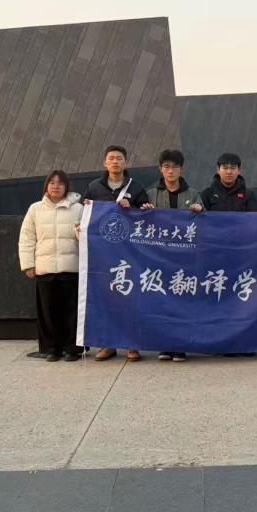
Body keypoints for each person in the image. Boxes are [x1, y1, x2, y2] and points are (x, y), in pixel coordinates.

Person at [84, 145, 149, 362]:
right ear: (105, 163)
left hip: (130, 253)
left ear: (126, 162)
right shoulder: (94, 187)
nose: (115, 162)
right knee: (105, 298)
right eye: (111, 158)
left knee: (131, 298)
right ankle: (108, 344)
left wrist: (133, 208)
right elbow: (85, 214)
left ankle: (132, 345)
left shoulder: (136, 187)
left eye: (119, 158)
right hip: (103, 254)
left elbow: (147, 217)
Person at [144, 149, 205, 363]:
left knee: (182, 302)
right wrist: (144, 210)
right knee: (162, 302)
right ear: (160, 169)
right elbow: (140, 222)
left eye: (175, 167)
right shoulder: (151, 194)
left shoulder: (193, 194)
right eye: (166, 167)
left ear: (182, 169)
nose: (170, 171)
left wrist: (200, 210)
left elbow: (205, 223)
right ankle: (165, 345)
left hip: (184, 259)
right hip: (159, 258)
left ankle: (180, 346)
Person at [18, 170, 84, 362]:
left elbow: (86, 237)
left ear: (66, 187)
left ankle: (72, 349)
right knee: (48, 312)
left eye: (60, 183)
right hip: (45, 269)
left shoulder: (78, 209)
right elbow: (27, 238)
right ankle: (52, 349)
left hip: (71, 268)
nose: (56, 186)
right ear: (46, 186)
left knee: (72, 312)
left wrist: (80, 233)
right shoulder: (35, 209)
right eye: (52, 183)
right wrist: (28, 265)